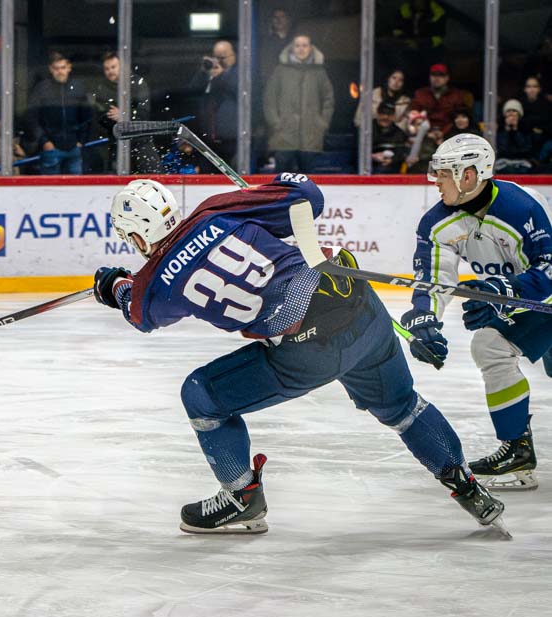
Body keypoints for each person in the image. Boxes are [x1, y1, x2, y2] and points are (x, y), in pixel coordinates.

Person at [93, 176, 504, 534]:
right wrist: (274, 188)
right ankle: (467, 487)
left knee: (200, 394)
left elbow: (137, 313)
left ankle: (241, 498)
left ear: (136, 238)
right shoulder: (214, 211)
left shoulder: (157, 283)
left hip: (309, 351)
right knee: (403, 407)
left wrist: (114, 285)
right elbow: (308, 196)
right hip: (359, 307)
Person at [400, 133, 552, 490]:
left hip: (543, 298)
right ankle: (517, 450)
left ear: (468, 175)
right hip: (524, 303)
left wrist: (501, 291)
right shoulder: (436, 223)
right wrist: (424, 318)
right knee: (490, 346)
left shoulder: (523, 207)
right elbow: (433, 278)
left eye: (443, 174)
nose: (435, 181)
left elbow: (549, 270)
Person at [263, 34, 334, 173]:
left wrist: (322, 123)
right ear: (292, 48)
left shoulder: (319, 72)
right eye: (297, 46)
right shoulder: (280, 71)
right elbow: (269, 99)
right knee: (283, 178)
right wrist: (276, 123)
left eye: (304, 45)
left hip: (311, 137)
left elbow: (328, 99)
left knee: (308, 180)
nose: (301, 49)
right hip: (283, 136)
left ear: (311, 48)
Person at [26, 51, 92, 174]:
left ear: (69, 67)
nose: (60, 71)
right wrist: (44, 141)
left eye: (63, 67)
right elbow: (32, 117)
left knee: (76, 185)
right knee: (50, 185)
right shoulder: (41, 89)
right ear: (51, 69)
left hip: (74, 147)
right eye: (56, 68)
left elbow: (86, 117)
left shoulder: (78, 88)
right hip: (50, 148)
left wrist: (80, 141)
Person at [189, 41, 239, 166]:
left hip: (231, 139)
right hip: (207, 138)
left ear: (234, 56)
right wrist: (202, 72)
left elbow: (238, 92)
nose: (219, 61)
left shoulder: (239, 73)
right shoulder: (209, 74)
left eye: (223, 57)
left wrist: (222, 75)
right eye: (216, 57)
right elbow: (192, 91)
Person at [409, 63, 471, 136]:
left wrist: (443, 133)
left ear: (447, 78)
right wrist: (427, 133)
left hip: (450, 133)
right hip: (424, 133)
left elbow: (460, 117)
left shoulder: (456, 95)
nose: (437, 78)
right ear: (430, 77)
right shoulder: (420, 93)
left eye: (441, 75)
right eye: (434, 75)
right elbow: (414, 115)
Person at [495, 99, 536, 174]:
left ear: (519, 115)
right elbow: (501, 150)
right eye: (508, 111)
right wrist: (507, 130)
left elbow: (526, 150)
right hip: (503, 163)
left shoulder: (526, 130)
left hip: (522, 163)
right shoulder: (499, 131)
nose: (511, 114)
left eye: (514, 111)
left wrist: (515, 130)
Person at [370, 100, 409, 173]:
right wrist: (372, 156)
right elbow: (356, 152)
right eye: (382, 113)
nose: (385, 117)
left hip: (391, 169)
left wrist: (392, 160)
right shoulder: (367, 131)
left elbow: (402, 153)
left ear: (394, 116)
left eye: (389, 114)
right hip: (369, 167)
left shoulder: (399, 133)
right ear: (377, 114)